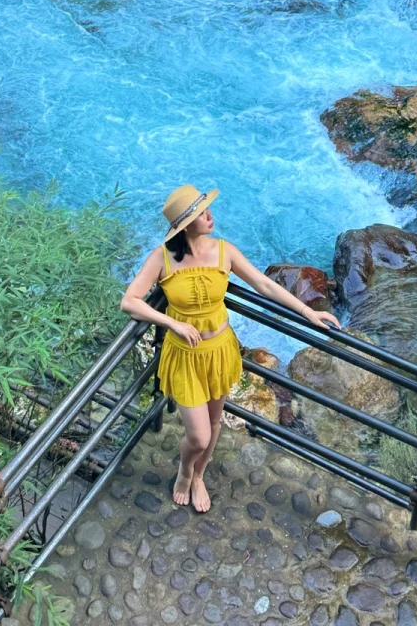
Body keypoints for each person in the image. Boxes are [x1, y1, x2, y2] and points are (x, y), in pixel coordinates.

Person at [120, 184, 340, 513]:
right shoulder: (162, 257)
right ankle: (185, 472)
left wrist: (308, 312)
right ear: (185, 225)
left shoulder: (224, 251)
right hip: (184, 355)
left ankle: (199, 477)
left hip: (220, 351)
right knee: (198, 436)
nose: (209, 215)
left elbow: (264, 284)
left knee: (214, 424)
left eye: (206, 208)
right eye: (200, 213)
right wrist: (172, 323)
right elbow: (130, 301)